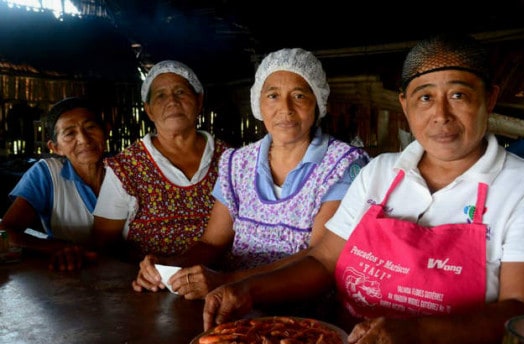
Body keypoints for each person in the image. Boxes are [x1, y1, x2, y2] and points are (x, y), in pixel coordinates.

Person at [202, 33, 524, 344]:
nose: (441, 115)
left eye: (459, 96)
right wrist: (247, 289)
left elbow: (520, 308)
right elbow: (323, 259)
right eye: (425, 97)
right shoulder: (380, 172)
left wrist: (418, 335)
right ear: (404, 104)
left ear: (490, 98)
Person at [131, 48, 371, 299]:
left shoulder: (343, 165)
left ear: (318, 103)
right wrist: (170, 267)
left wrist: (228, 283)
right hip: (234, 302)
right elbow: (212, 243)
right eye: (273, 96)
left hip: (306, 306)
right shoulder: (237, 163)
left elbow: (318, 257)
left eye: (299, 95)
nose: (285, 109)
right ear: (259, 103)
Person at [92, 60, 229, 261]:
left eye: (181, 92)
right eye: (160, 95)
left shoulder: (231, 160)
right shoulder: (127, 167)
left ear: (199, 101)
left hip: (220, 280)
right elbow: (103, 243)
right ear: (149, 110)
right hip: (149, 283)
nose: (172, 102)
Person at [0, 97, 107, 271]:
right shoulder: (47, 174)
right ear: (55, 147)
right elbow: (5, 233)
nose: (84, 139)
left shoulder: (126, 171)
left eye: (90, 127)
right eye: (70, 133)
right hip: (71, 278)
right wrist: (57, 248)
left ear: (106, 130)